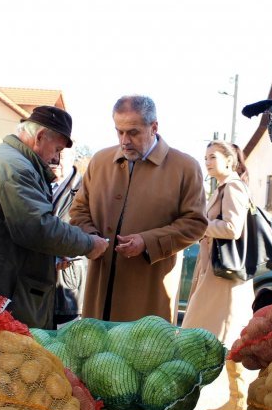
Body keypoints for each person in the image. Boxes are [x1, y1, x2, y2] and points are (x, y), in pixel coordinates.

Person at [0, 106, 109, 328]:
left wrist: (53, 257)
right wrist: (89, 244)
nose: (56, 159)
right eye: (56, 149)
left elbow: (17, 229)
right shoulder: (16, 167)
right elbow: (39, 229)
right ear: (40, 137)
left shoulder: (9, 158)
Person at [69, 95, 207, 322]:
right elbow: (79, 210)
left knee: (144, 353)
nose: (124, 140)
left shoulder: (185, 167)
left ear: (154, 127)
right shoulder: (100, 161)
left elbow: (195, 224)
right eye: (119, 132)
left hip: (149, 294)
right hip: (99, 289)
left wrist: (147, 242)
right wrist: (90, 238)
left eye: (133, 132)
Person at [181, 141, 253, 410]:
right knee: (224, 336)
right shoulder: (223, 188)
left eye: (213, 157)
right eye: (206, 157)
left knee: (206, 334)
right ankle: (238, 400)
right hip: (217, 274)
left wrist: (200, 225)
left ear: (229, 160)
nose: (208, 162)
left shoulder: (233, 186)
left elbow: (233, 228)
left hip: (224, 279)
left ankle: (235, 400)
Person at [50, 155, 87, 328]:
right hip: (35, 289)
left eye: (62, 154)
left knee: (62, 348)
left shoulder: (86, 191)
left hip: (68, 287)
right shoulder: (34, 184)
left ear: (73, 156)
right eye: (54, 152)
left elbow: (93, 234)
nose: (55, 160)